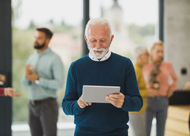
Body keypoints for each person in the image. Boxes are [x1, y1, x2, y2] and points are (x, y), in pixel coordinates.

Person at [62, 18, 143, 136]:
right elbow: (66, 106)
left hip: (117, 133)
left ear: (111, 39)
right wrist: (78, 104)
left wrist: (124, 101)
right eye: (93, 40)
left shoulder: (125, 64)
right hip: (84, 133)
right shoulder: (76, 67)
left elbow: (138, 104)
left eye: (103, 40)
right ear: (86, 39)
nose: (98, 45)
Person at [21, 27, 64, 136]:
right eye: (35, 37)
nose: (36, 40)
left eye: (39, 38)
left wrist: (38, 80)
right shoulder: (32, 58)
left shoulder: (55, 59)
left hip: (47, 105)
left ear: (48, 40)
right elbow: (24, 84)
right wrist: (26, 77)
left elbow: (59, 84)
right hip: (32, 105)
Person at [143, 41, 178, 136]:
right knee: (145, 131)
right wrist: (147, 91)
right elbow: (139, 84)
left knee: (161, 132)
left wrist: (171, 88)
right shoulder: (145, 65)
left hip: (163, 100)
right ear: (151, 51)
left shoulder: (168, 65)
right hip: (148, 101)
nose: (160, 54)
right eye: (158, 51)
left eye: (162, 52)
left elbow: (175, 78)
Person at [128, 46, 149, 136]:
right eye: (147, 54)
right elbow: (130, 92)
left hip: (142, 109)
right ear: (140, 56)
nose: (149, 57)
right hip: (136, 111)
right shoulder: (135, 70)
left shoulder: (141, 69)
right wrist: (149, 92)